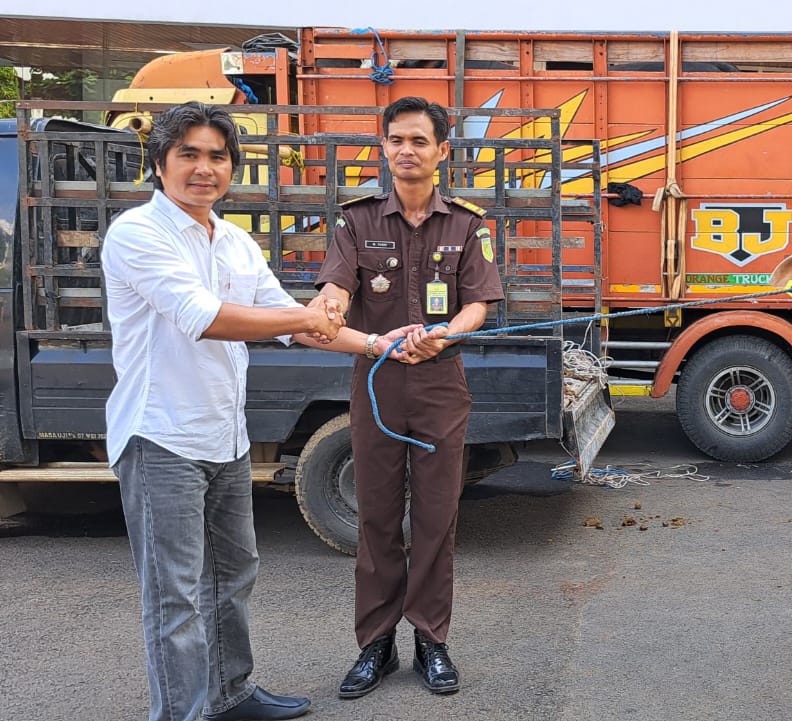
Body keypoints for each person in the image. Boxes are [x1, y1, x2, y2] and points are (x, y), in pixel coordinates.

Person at [103, 102, 417, 721]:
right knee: (177, 598)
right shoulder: (139, 233)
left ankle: (230, 695)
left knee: (233, 575)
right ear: (159, 163)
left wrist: (381, 344)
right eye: (188, 154)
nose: (203, 168)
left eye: (217, 156)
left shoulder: (234, 241)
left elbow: (292, 325)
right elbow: (208, 319)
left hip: (223, 435)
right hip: (160, 435)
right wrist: (308, 315)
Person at [312, 96, 504, 700]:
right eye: (396, 140)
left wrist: (448, 332)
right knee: (374, 515)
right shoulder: (356, 220)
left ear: (443, 151)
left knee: (436, 516)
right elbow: (336, 287)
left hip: (440, 386)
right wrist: (336, 309)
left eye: (419, 141)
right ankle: (375, 645)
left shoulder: (468, 224)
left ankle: (430, 640)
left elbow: (478, 302)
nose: (406, 151)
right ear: (385, 147)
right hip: (377, 384)